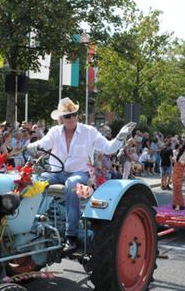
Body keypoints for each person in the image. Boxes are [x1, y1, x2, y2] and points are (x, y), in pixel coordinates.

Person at [27, 97, 135, 253]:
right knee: (35, 181)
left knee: (72, 185)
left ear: (78, 115)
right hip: (55, 173)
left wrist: (120, 137)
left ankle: (71, 236)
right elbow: (42, 144)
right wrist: (33, 146)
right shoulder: (54, 132)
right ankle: (32, 226)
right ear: (61, 118)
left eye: (74, 114)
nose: (71, 118)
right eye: (67, 115)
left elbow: (109, 148)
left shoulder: (89, 131)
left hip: (80, 173)